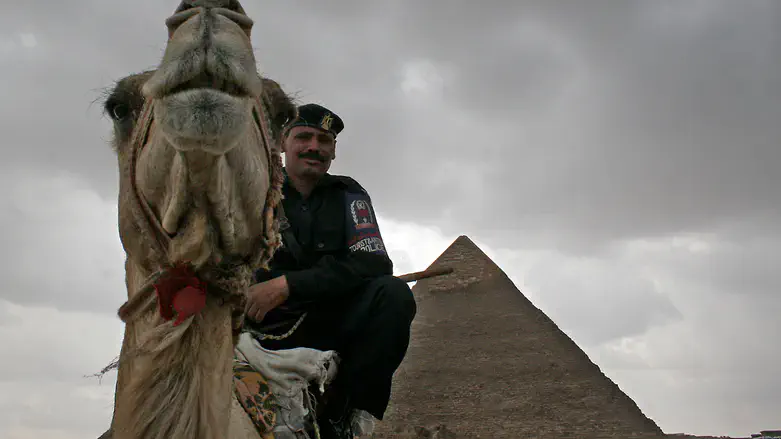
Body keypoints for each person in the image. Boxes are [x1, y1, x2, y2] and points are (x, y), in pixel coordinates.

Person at [243, 103, 417, 439]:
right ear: (282, 143)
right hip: (269, 326)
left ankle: (345, 413)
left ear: (334, 151)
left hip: (333, 323)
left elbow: (374, 263)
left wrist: (288, 284)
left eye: (324, 140)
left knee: (394, 295)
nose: (314, 147)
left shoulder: (349, 194)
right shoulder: (251, 192)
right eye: (304, 137)